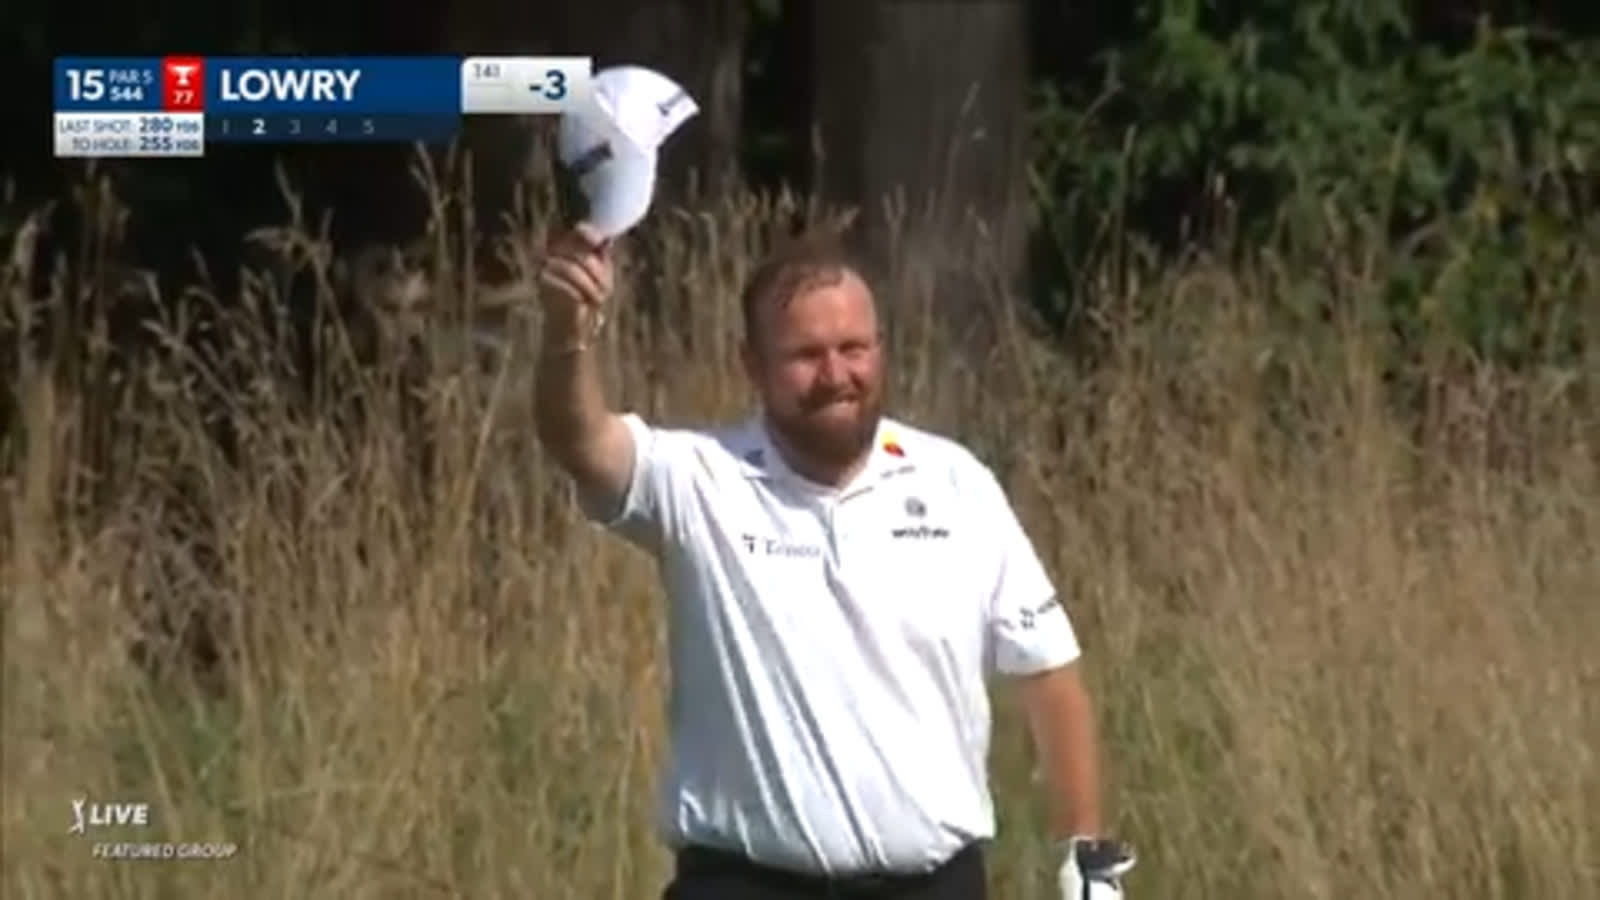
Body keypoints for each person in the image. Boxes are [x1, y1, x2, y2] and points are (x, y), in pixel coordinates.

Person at [533, 222, 1136, 900]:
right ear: (751, 365)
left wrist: (1089, 860)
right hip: (742, 885)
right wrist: (567, 335)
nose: (836, 375)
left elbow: (1048, 670)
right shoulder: (698, 480)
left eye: (855, 348)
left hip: (935, 887)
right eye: (806, 354)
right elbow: (578, 438)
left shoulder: (956, 482)